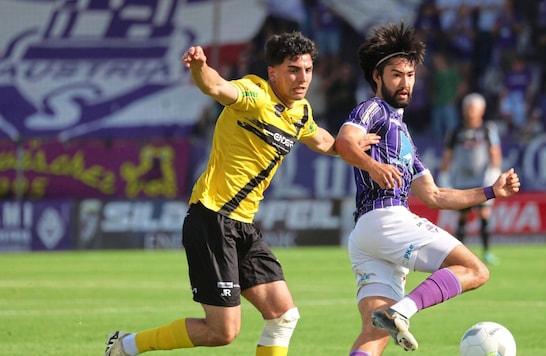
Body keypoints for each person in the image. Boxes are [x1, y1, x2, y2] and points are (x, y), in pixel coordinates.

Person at [104, 32, 378, 356]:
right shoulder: (255, 93)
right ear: (272, 72)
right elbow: (217, 87)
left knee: (283, 315)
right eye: (293, 69)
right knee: (222, 331)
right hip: (212, 217)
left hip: (244, 226)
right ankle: (125, 346)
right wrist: (199, 68)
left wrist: (352, 145)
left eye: (307, 69)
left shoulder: (301, 112)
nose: (302, 77)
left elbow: (323, 141)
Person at [334, 22, 520, 355]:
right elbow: (344, 142)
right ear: (377, 76)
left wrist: (491, 190)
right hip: (385, 218)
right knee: (475, 270)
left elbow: (436, 195)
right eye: (396, 74)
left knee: (373, 333)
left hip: (366, 235)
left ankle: (394, 314)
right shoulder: (373, 109)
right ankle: (401, 311)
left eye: (410, 75)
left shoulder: (404, 137)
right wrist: (373, 166)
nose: (405, 83)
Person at [439, 93, 503, 265]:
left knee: (484, 214)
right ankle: (461, 254)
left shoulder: (488, 129)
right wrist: (443, 175)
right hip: (462, 180)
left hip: (482, 179)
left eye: (474, 108)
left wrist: (494, 171)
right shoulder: (455, 131)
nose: (470, 111)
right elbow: (448, 155)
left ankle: (487, 252)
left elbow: (495, 152)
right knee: (463, 216)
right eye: (468, 107)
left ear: (482, 110)